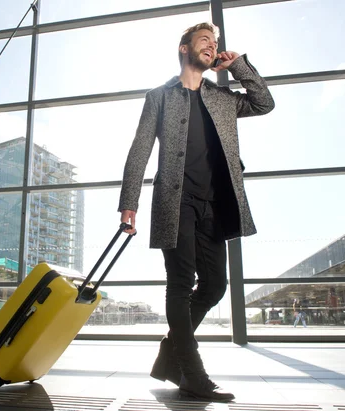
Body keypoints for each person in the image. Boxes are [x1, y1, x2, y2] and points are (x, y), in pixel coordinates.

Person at [118, 22, 274, 402]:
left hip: (214, 203)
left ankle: (173, 350)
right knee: (180, 282)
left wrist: (237, 66)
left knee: (216, 285)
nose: (212, 46)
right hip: (176, 201)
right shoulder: (159, 96)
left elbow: (263, 103)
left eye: (216, 43)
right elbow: (140, 148)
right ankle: (193, 374)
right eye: (205, 40)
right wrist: (129, 203)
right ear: (184, 48)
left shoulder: (222, 97)